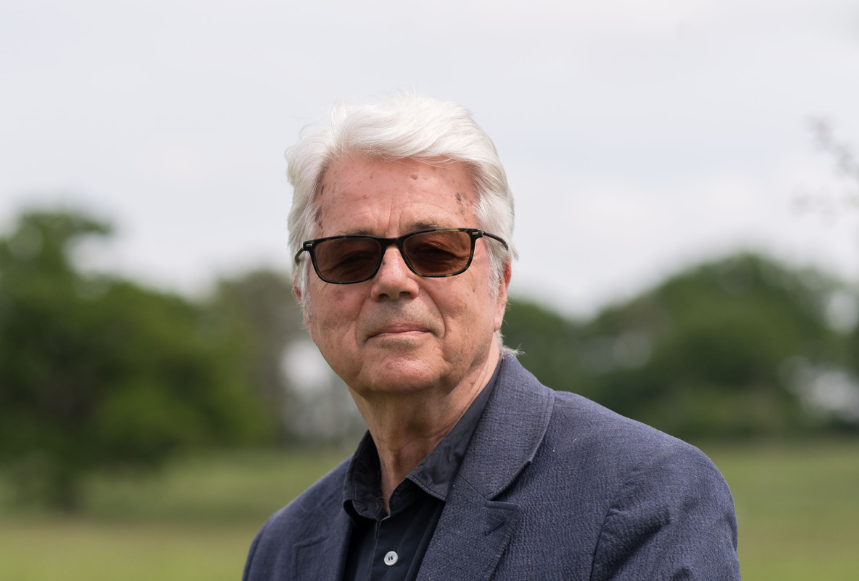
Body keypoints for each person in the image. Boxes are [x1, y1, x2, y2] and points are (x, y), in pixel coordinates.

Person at [243, 94, 740, 580]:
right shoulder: (282, 548)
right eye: (349, 256)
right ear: (304, 298)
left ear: (499, 284)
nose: (393, 280)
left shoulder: (648, 496)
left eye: (435, 250)